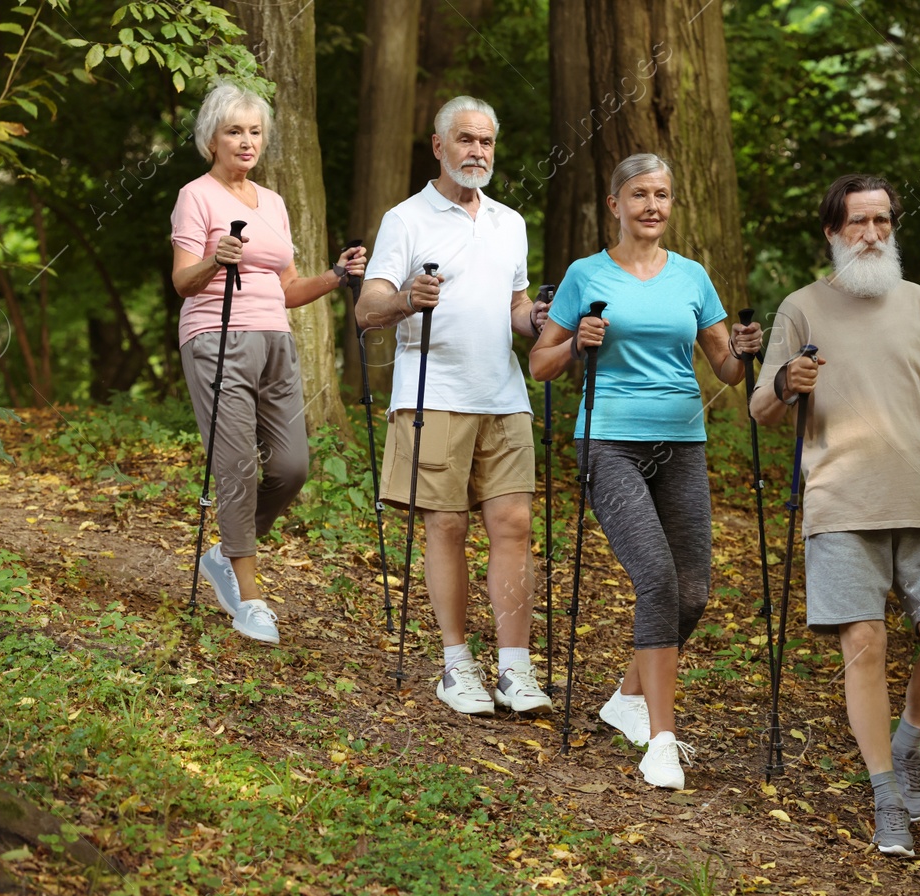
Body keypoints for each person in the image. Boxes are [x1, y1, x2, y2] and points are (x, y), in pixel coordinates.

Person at [750, 173, 920, 855]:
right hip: (841, 504)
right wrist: (786, 382)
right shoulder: (802, 308)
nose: (872, 234)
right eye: (858, 223)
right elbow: (762, 407)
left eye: (883, 222)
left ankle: (908, 744)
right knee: (864, 648)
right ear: (832, 232)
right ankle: (886, 795)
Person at [530, 154, 762, 790]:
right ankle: (661, 740)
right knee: (656, 578)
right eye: (639, 195)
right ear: (615, 205)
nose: (651, 206)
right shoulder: (587, 274)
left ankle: (627, 699)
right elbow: (540, 365)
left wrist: (744, 351)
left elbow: (728, 372)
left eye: (661, 194)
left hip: (682, 443)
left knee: (693, 593)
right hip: (609, 442)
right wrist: (576, 341)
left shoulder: (692, 277)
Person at [355, 96, 555, 718]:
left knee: (515, 527)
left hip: (504, 395)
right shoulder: (406, 219)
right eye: (466, 140)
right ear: (439, 146)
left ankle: (515, 671)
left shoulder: (510, 222)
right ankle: (455, 664)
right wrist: (407, 299)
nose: (478, 152)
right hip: (433, 394)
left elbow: (516, 308)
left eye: (487, 142)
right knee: (446, 526)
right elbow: (368, 309)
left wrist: (540, 318)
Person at [170, 82, 366, 645]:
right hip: (216, 336)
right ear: (212, 138)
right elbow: (183, 282)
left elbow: (287, 288)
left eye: (255, 131)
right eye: (235, 130)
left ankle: (224, 552)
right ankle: (249, 597)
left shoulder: (274, 202)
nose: (247, 141)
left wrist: (336, 275)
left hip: (275, 340)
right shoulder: (196, 195)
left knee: (291, 466)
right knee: (235, 466)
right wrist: (214, 259)